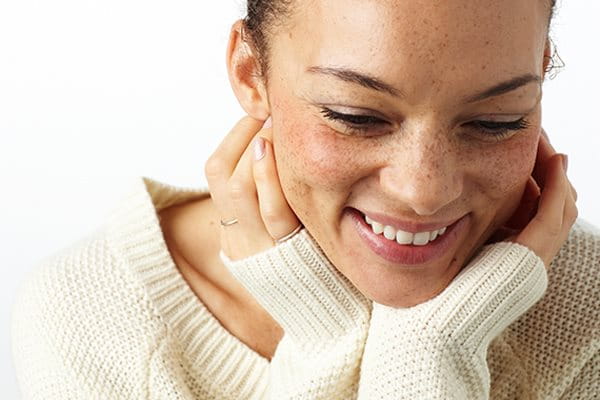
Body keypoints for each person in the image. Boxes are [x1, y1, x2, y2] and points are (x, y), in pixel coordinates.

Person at [11, 0, 599, 398]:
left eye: (496, 121)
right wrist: (327, 343)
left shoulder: (588, 311)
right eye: (355, 116)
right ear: (250, 73)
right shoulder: (88, 318)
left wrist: (431, 343)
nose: (423, 191)